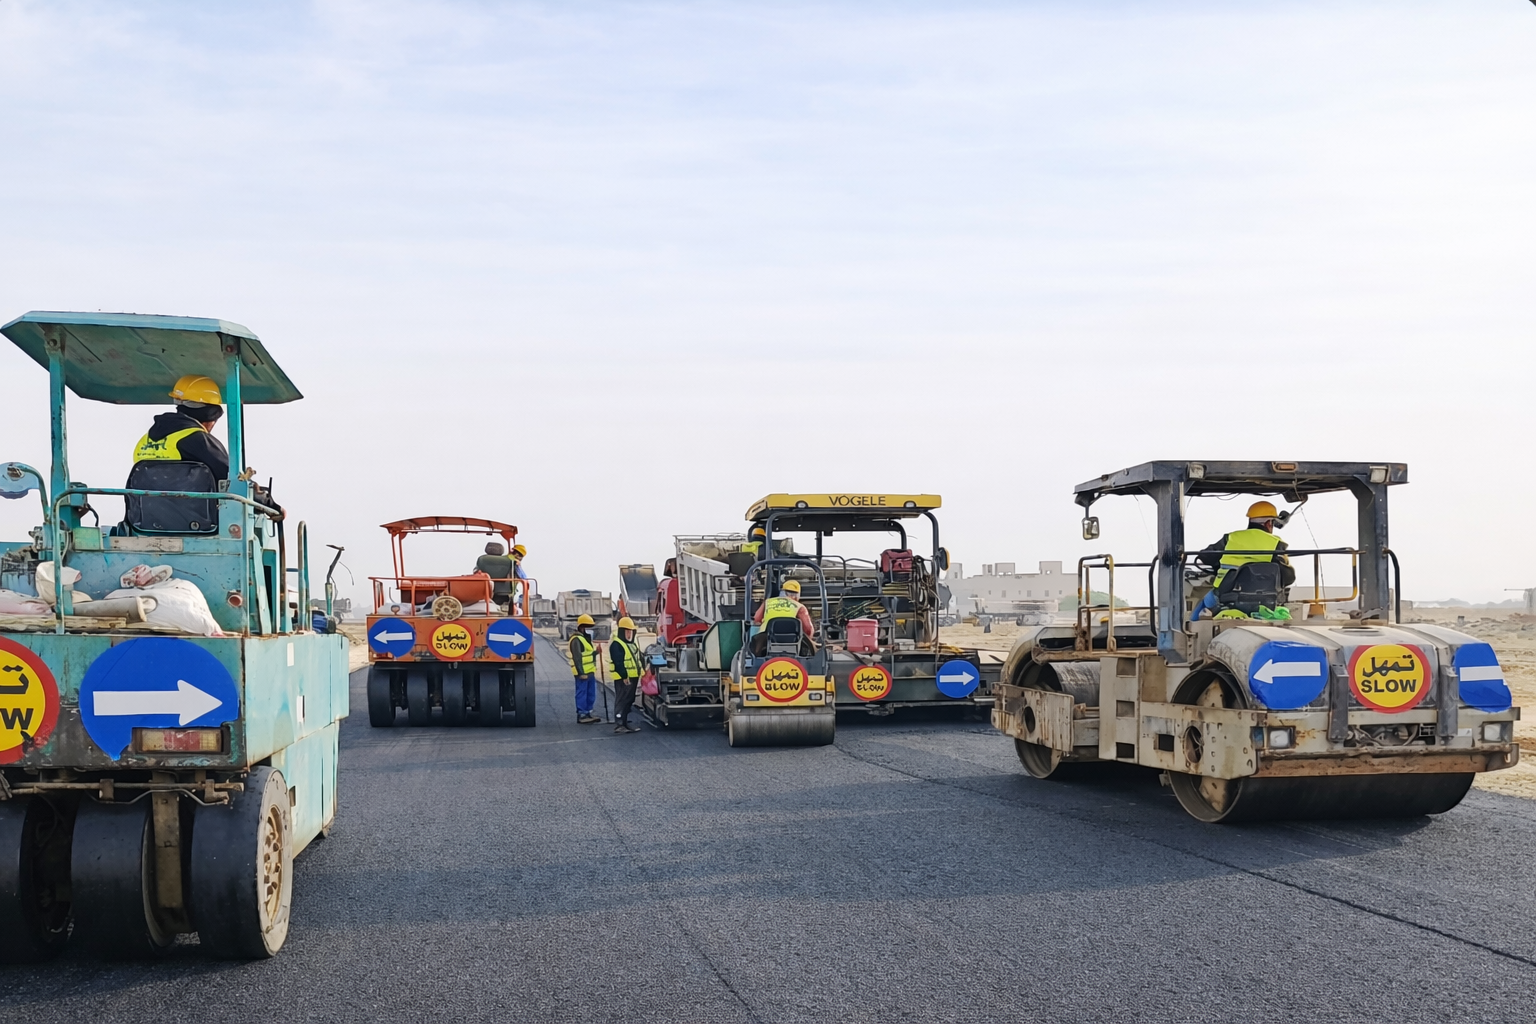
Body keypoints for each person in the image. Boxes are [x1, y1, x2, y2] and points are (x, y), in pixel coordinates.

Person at [1192, 500, 1296, 620]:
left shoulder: (1231, 538)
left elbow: (1205, 557)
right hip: (1264, 600)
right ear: (1269, 523)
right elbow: (1289, 577)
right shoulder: (1277, 544)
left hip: (1226, 595)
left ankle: (1190, 627)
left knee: (1203, 605)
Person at [130, 374, 229, 484]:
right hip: (189, 496)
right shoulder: (200, 440)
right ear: (210, 416)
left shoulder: (145, 440)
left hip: (147, 496)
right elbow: (228, 475)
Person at [609, 616, 643, 734]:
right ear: (622, 632)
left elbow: (637, 658)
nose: (629, 634)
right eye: (627, 631)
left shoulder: (632, 644)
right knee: (622, 700)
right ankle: (619, 724)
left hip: (633, 677)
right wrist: (624, 676)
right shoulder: (617, 644)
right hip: (623, 678)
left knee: (629, 699)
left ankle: (624, 722)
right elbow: (618, 662)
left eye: (631, 631)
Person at [569, 614, 602, 724]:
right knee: (582, 692)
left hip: (590, 671)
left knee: (590, 693)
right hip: (582, 673)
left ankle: (588, 712)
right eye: (586, 627)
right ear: (581, 627)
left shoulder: (584, 639)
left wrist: (596, 652)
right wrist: (581, 672)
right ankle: (582, 714)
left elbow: (587, 655)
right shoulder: (576, 640)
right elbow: (577, 657)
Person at [475, 542, 517, 607]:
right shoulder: (510, 560)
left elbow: (476, 573)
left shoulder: (482, 559)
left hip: (484, 591)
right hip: (503, 593)